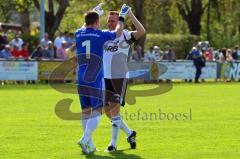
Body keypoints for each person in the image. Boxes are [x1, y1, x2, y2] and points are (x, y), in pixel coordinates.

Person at [75, 4, 129, 154]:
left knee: (85, 110)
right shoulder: (101, 34)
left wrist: (93, 13)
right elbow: (118, 32)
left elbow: (83, 27)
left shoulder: (78, 33)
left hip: (80, 77)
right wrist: (122, 16)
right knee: (98, 110)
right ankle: (85, 138)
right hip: (94, 77)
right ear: (97, 23)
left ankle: (90, 145)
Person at [103, 8, 145, 152]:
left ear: (119, 21)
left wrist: (130, 14)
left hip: (119, 78)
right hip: (105, 77)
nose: (109, 23)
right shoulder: (104, 35)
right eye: (108, 20)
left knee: (114, 111)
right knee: (107, 111)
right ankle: (129, 133)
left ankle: (113, 145)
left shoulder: (125, 35)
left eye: (112, 21)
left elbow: (141, 31)